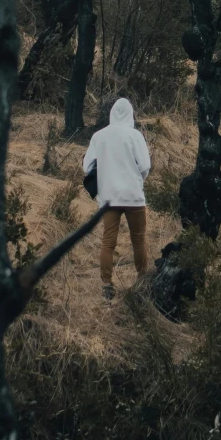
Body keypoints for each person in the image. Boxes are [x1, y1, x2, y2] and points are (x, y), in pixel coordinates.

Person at [83, 96, 152, 301]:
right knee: (138, 240)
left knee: (108, 241)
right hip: (133, 197)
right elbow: (146, 166)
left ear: (112, 113)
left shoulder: (99, 136)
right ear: (130, 114)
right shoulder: (135, 136)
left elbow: (87, 167)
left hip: (109, 197)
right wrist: (137, 180)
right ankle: (142, 280)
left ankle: (107, 284)